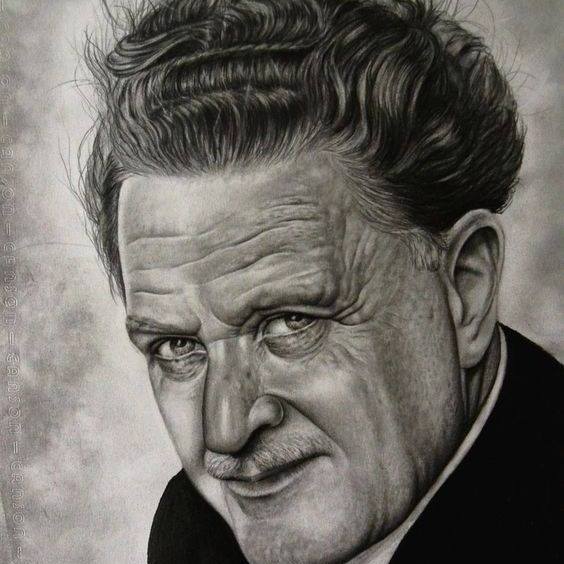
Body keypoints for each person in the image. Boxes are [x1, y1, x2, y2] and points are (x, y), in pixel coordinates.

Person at [80, 0, 562, 562]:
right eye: (177, 346)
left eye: (291, 322)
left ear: (466, 290)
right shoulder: (194, 533)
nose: (225, 432)